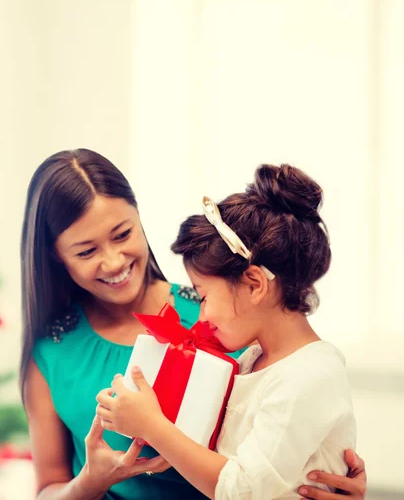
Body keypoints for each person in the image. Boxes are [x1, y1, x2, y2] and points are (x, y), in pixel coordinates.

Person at [20, 150, 367, 500]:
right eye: (86, 251)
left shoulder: (229, 319)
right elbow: (48, 486)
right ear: (56, 255)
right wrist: (92, 480)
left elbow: (285, 439)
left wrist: (333, 472)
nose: (113, 262)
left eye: (123, 234)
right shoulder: (52, 350)